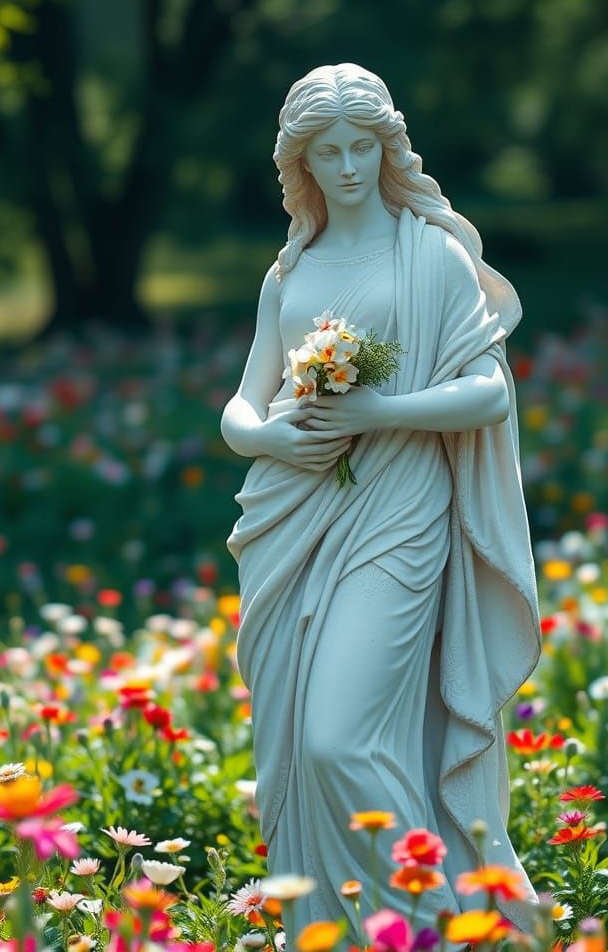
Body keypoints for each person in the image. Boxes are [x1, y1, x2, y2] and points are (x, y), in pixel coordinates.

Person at [221, 63, 543, 949]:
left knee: (339, 739)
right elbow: (241, 403)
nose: (349, 166)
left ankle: (444, 924)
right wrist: (267, 438)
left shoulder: (431, 254)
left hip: (399, 514)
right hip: (293, 515)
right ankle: (349, 928)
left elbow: (489, 394)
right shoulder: (289, 272)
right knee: (303, 742)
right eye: (329, 152)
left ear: (387, 148)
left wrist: (379, 412)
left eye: (362, 147)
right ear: (302, 164)